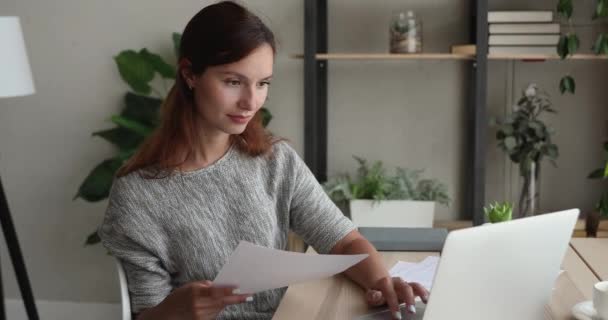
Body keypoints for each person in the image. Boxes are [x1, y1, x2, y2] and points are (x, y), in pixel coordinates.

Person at [98, 1, 428, 319]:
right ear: (189, 74)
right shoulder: (137, 197)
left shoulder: (275, 161)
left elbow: (344, 241)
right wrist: (179, 310)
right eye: (233, 81)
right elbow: (147, 313)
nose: (250, 101)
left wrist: (384, 284)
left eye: (262, 84)